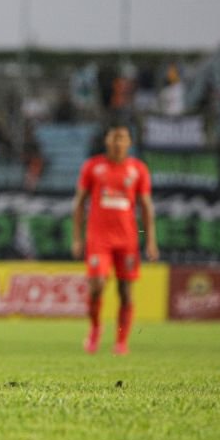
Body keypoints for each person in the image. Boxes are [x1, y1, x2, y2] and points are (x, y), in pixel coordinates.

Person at [70, 121, 158, 355]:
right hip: (99, 238)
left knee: (125, 292)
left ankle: (121, 341)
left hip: (127, 240)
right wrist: (77, 238)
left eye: (122, 138)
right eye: (114, 138)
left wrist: (150, 240)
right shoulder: (93, 167)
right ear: (107, 141)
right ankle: (95, 330)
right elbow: (79, 203)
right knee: (97, 285)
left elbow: (146, 206)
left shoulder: (138, 170)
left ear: (129, 142)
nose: (118, 143)